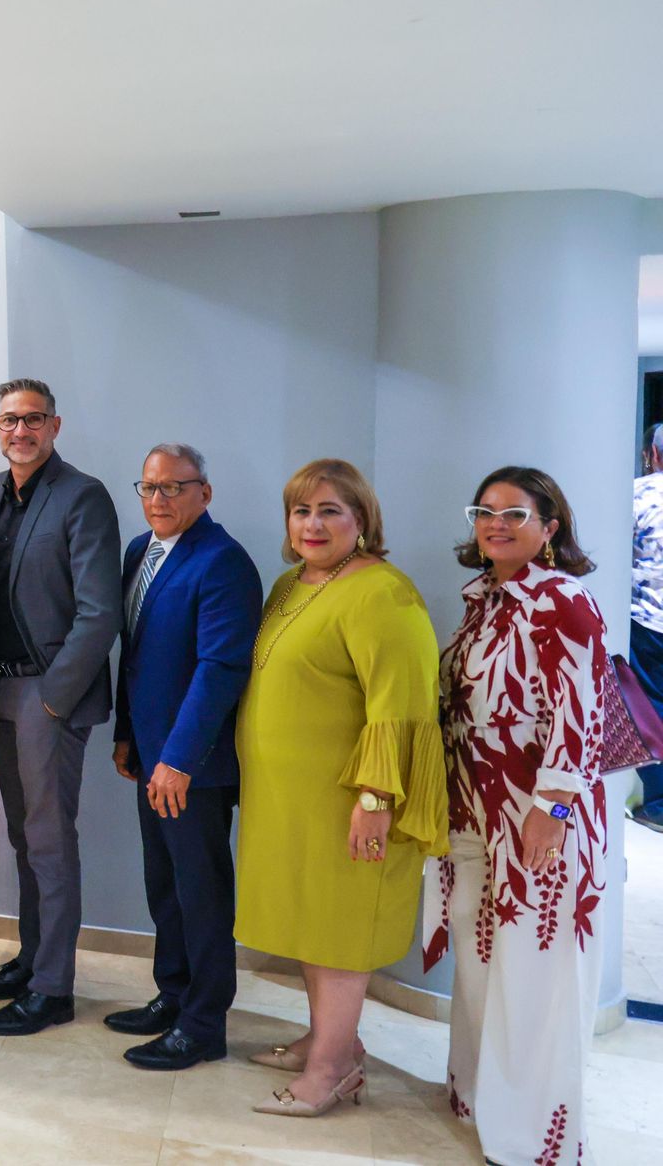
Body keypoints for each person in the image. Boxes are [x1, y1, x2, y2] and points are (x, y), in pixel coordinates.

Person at [236, 458, 445, 1117]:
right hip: (287, 800)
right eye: (302, 510)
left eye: (331, 510)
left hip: (348, 801)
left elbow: (401, 706)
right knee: (310, 923)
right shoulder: (288, 584)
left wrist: (377, 798)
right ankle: (332, 1041)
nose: (314, 523)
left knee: (341, 932)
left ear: (363, 521)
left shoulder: (384, 592)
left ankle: (331, 1072)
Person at [439, 468, 608, 1165]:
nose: (496, 523)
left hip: (541, 812)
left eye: (515, 513)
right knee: (481, 958)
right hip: (477, 806)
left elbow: (582, 714)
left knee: (536, 971)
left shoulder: (564, 602)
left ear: (550, 527)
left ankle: (534, 1137)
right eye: (485, 511)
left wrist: (553, 808)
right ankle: (479, 1097)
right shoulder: (486, 601)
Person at [0, 379, 122, 1037]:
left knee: (51, 843)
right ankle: (30, 962)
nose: (19, 431)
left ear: (54, 426)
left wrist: (55, 700)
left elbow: (99, 610)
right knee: (26, 838)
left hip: (48, 692)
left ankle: (53, 988)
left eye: (32, 420)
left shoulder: (82, 495)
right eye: (8, 421)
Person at [105, 444, 262, 1070]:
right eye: (148, 488)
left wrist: (178, 758)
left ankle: (203, 1024)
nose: (159, 500)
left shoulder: (223, 562)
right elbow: (136, 656)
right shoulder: (139, 552)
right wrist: (127, 735)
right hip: (149, 754)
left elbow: (221, 669)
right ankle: (171, 995)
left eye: (175, 487)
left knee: (200, 892)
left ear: (206, 492)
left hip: (190, 764)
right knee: (163, 885)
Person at [628, 424, 663, 833]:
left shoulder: (638, 495)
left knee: (650, 708)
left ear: (652, 455)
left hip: (648, 620)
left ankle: (657, 802)